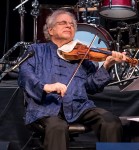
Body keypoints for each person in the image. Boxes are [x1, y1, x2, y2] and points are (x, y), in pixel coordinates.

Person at [18, 9, 127, 150]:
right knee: (57, 127)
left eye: (72, 24)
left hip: (79, 107)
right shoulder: (37, 50)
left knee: (111, 121)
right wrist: (45, 86)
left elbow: (92, 86)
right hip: (45, 108)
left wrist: (106, 66)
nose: (69, 26)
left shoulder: (80, 56)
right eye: (63, 23)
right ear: (50, 30)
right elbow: (25, 73)